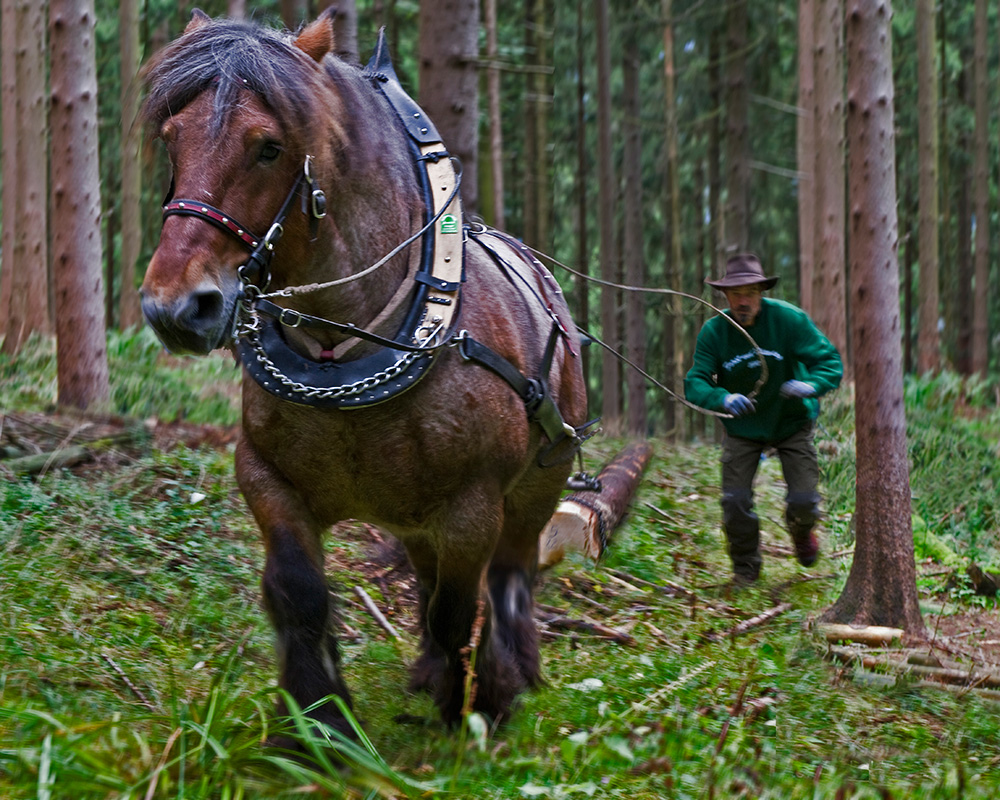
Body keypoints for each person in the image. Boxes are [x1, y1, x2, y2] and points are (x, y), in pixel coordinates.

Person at [684, 253, 843, 584]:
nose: (744, 301)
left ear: (762, 292)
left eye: (751, 292)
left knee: (804, 500)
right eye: (736, 294)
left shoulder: (788, 320)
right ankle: (746, 569)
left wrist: (810, 385)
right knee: (735, 501)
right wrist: (722, 397)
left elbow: (829, 361)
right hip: (743, 427)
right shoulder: (715, 331)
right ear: (725, 296)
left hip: (791, 422)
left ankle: (802, 533)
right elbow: (695, 381)